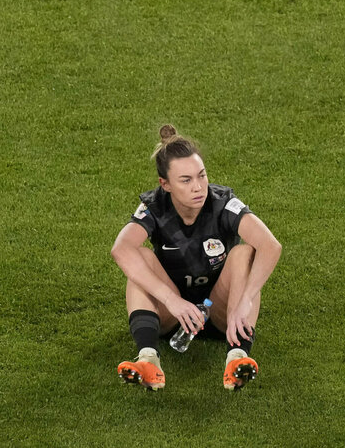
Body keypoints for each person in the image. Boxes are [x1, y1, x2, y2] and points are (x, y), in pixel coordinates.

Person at [111, 125, 281, 391]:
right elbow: (120, 249)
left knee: (244, 253)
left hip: (222, 312)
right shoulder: (154, 206)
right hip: (172, 314)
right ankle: (148, 360)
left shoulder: (222, 202)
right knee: (139, 257)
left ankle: (238, 359)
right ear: (164, 184)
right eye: (186, 180)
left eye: (201, 176)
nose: (198, 187)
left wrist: (246, 299)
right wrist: (172, 300)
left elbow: (271, 246)